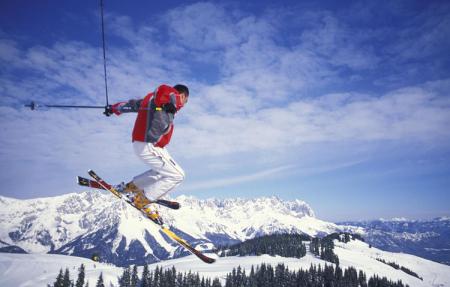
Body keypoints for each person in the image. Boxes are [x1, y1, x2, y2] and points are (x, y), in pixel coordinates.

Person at [105, 84, 189, 224]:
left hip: (149, 145)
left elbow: (133, 105)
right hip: (148, 144)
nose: (183, 105)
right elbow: (163, 90)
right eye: (185, 102)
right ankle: (142, 200)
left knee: (163, 173)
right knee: (177, 175)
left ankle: (131, 187)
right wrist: (172, 102)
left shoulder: (151, 101)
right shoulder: (168, 97)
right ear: (183, 96)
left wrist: (114, 108)